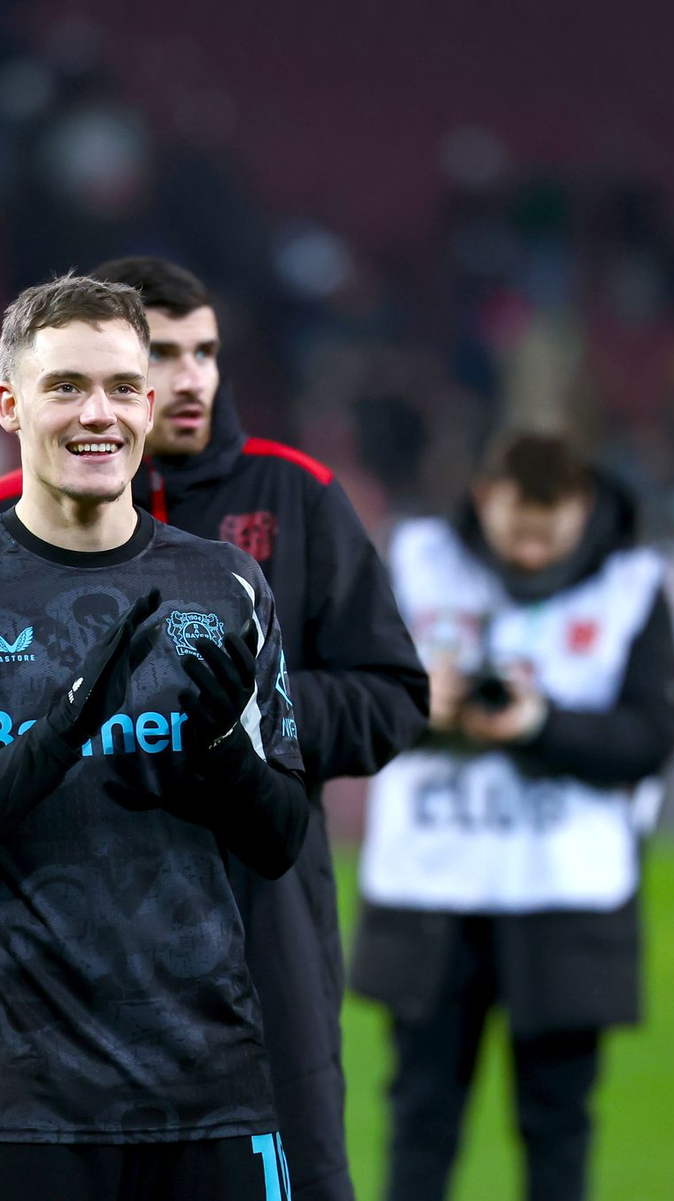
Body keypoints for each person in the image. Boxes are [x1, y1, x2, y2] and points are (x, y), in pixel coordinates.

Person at [0, 255, 429, 1201]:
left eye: (125, 384)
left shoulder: (247, 559)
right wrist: (60, 733)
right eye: (66, 385)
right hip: (30, 1076)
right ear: (13, 404)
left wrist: (228, 743)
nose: (100, 411)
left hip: (234, 1011)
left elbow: (372, 723)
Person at [351, 432, 674, 1201]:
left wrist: (543, 725)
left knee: (557, 1127)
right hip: (430, 890)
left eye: (549, 534)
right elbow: (340, 694)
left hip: (566, 893)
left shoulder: (632, 584)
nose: (531, 554)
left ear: (585, 509)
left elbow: (653, 735)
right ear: (482, 501)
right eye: (516, 533)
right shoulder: (413, 559)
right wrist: (408, 700)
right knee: (419, 1122)